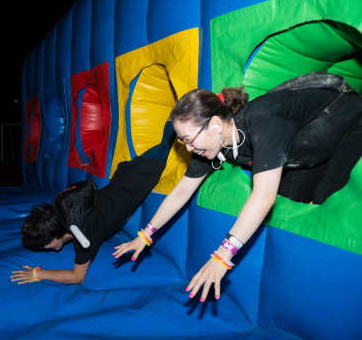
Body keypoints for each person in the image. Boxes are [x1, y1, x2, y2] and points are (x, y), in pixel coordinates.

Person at [113, 73, 362, 302]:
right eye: (182, 141)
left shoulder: (263, 123)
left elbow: (264, 195)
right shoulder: (211, 144)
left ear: (215, 125)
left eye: (189, 140)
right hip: (304, 150)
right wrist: (145, 235)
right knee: (295, 207)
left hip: (347, 123)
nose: (188, 149)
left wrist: (223, 255)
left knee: (327, 202)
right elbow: (182, 191)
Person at [11, 121, 176, 284]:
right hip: (126, 177)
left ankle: (180, 110)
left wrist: (39, 274)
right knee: (169, 140)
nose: (45, 249)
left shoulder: (84, 231)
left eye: (44, 245)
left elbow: (77, 277)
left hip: (140, 175)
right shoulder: (61, 208)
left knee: (170, 140)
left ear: (54, 235)